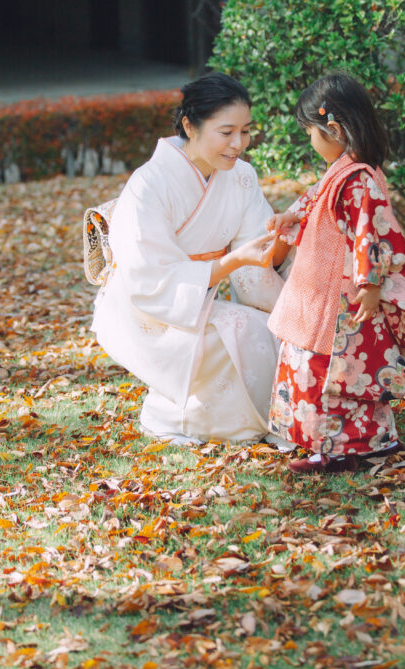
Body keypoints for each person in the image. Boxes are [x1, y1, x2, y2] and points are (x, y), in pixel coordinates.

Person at [90, 73, 291, 444]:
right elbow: (149, 276)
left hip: (201, 291)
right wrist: (231, 264)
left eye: (245, 132)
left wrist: (283, 236)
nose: (238, 144)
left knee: (282, 324)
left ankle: (259, 417)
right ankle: (183, 418)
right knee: (245, 329)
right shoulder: (149, 184)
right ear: (190, 126)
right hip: (151, 304)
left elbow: (255, 246)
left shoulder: (241, 176)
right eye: (226, 131)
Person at [266, 73, 405, 474]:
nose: (311, 142)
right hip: (321, 289)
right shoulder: (344, 172)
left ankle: (345, 449)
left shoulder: (359, 178)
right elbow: (314, 203)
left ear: (332, 129)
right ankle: (350, 445)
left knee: (332, 371)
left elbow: (370, 232)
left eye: (310, 133)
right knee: (319, 366)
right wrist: (290, 217)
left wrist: (370, 285)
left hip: (342, 296)